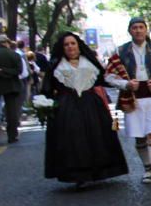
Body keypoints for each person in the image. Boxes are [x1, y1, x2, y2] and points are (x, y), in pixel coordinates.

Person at [40, 32, 128, 186]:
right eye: (66, 44)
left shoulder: (90, 62)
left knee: (96, 136)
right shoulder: (56, 65)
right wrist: (46, 105)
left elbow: (104, 79)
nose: (70, 47)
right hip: (66, 105)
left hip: (91, 103)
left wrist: (125, 82)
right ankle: (78, 175)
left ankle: (100, 171)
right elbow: (47, 87)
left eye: (73, 43)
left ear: (79, 46)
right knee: (73, 139)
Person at [104, 17, 151, 186]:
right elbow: (108, 75)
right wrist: (125, 84)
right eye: (134, 28)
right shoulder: (121, 51)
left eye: (141, 27)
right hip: (132, 99)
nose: (138, 30)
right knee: (140, 137)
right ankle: (147, 169)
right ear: (129, 31)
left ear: (146, 30)